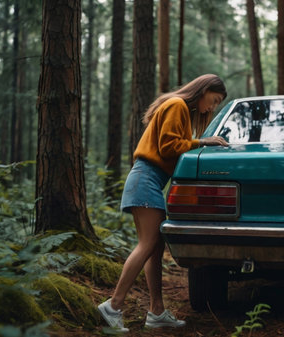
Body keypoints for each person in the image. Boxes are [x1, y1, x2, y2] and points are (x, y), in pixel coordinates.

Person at [98, 74, 228, 332]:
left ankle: (156, 311)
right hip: (146, 178)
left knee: (155, 248)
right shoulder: (178, 105)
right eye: (213, 101)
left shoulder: (180, 108)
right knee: (147, 244)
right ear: (203, 91)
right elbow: (168, 147)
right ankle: (113, 306)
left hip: (149, 182)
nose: (212, 108)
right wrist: (202, 141)